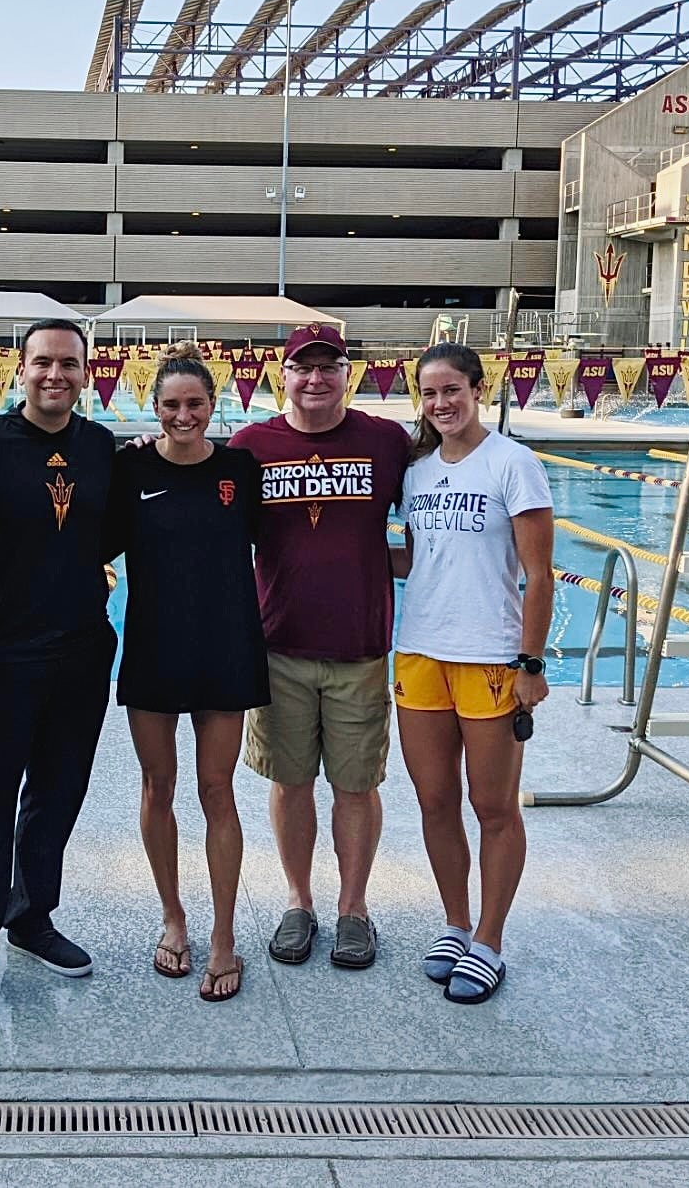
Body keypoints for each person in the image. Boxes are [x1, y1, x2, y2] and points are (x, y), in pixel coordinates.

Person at [0, 318, 116, 1022]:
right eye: (43, 362)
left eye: (69, 364)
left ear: (85, 372)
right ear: (21, 369)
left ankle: (31, 915)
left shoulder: (102, 450)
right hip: (4, 650)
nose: (55, 375)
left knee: (59, 791)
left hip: (81, 649)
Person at [231, 323, 409, 971]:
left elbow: (436, 503)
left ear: (347, 374)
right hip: (278, 646)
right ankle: (299, 902)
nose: (314, 379)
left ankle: (354, 909)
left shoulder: (385, 441)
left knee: (356, 785)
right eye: (302, 369)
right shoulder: (250, 446)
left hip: (360, 648)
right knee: (290, 780)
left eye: (327, 367)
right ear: (283, 376)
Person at [392, 342, 553, 1006]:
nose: (441, 404)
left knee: (492, 807)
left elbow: (539, 574)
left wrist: (531, 663)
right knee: (434, 803)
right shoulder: (417, 474)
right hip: (420, 651)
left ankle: (490, 938)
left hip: (490, 656)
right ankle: (455, 923)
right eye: (429, 394)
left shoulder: (513, 463)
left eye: (452, 390)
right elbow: (417, 561)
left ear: (478, 389)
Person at [106, 342, 264, 1002]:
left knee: (215, 789)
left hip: (225, 646)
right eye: (170, 405)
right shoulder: (129, 469)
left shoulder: (240, 468)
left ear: (212, 402)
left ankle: (224, 936)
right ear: (154, 406)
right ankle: (174, 917)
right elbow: (80, 539)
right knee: (158, 783)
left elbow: (285, 543)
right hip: (153, 645)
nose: (182, 415)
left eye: (194, 403)